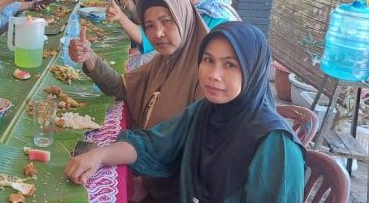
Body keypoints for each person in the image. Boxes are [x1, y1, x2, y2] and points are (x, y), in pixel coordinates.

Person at [66, 22, 306, 203]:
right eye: (208, 60)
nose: (214, 74)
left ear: (253, 70)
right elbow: (153, 144)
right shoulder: (205, 112)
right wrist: (100, 155)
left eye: (230, 64)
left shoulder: (275, 144)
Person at [69, 0, 208, 202]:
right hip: (149, 176)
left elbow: (186, 148)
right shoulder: (163, 61)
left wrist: (143, 181)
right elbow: (123, 87)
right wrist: (89, 57)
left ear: (184, 18)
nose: (157, 33)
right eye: (150, 26)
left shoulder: (206, 77)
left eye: (166, 21)